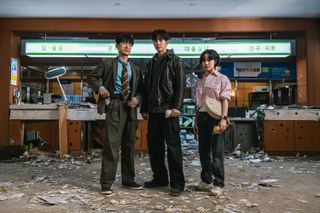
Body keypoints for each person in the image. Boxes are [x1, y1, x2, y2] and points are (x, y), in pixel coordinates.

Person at [88, 33, 143, 195]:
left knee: (129, 145)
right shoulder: (107, 64)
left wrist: (137, 99)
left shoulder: (136, 68)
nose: (127, 46)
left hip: (130, 107)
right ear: (117, 46)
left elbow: (141, 90)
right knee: (112, 145)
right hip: (115, 104)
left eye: (130, 44)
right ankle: (106, 183)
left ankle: (128, 180)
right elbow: (92, 78)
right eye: (124, 43)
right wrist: (100, 88)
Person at [141, 29, 185, 196]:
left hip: (168, 110)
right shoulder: (151, 62)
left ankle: (178, 183)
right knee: (154, 148)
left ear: (167, 42)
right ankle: (160, 178)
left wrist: (177, 107)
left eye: (161, 40)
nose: (158, 43)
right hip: (153, 111)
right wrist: (144, 108)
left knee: (173, 148)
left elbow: (180, 85)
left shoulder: (175, 61)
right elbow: (147, 88)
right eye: (155, 40)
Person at [194, 49, 231, 196]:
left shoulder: (222, 79)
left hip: (215, 118)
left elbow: (225, 100)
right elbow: (198, 103)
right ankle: (206, 181)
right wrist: (195, 121)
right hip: (202, 117)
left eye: (209, 59)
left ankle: (218, 183)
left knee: (217, 152)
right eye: (203, 60)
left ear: (215, 61)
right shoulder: (200, 80)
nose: (206, 62)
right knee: (203, 151)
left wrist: (224, 118)